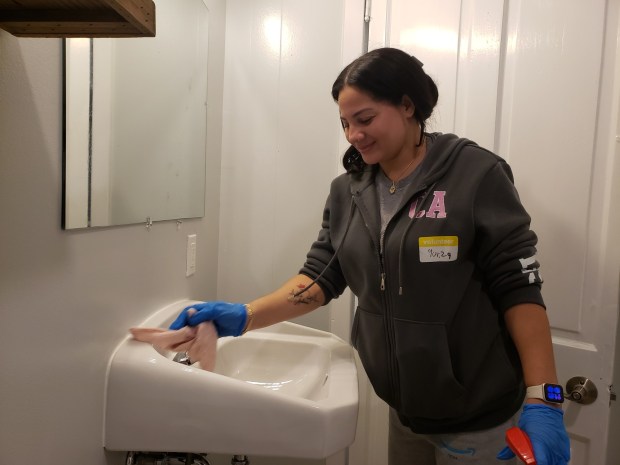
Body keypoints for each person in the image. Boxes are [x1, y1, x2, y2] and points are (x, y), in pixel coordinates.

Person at [169, 47, 570, 465]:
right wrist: (245, 315)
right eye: (345, 123)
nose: (353, 135)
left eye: (364, 119)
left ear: (407, 105)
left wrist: (545, 399)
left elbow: (519, 288)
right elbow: (320, 278)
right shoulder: (348, 191)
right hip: (405, 413)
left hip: (481, 419)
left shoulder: (475, 175)